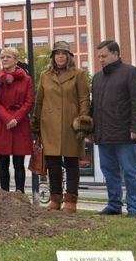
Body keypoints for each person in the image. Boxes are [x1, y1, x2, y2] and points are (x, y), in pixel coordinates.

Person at [32, 41, 91, 213]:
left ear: (69, 56)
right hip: (48, 125)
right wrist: (35, 123)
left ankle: (71, 201)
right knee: (53, 164)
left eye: (63, 53)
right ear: (53, 57)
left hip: (70, 125)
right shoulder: (44, 75)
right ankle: (55, 199)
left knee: (72, 162)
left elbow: (84, 99)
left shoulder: (79, 74)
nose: (60, 56)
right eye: (57, 53)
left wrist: (83, 120)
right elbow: (39, 100)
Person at [91, 40, 136, 218]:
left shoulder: (131, 72)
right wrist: (91, 132)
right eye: (99, 56)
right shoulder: (97, 78)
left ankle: (133, 208)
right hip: (103, 135)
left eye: (104, 56)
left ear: (116, 54)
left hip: (125, 135)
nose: (101, 59)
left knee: (130, 172)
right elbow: (94, 107)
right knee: (109, 172)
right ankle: (114, 205)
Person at [0, 47, 34, 193]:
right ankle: (4, 195)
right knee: (3, 163)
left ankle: (20, 193)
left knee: (19, 163)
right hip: (2, 124)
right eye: (2, 57)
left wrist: (17, 118)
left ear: (16, 60)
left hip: (20, 125)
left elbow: (29, 101)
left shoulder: (26, 80)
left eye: (8, 57)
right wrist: (7, 118)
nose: (5, 59)